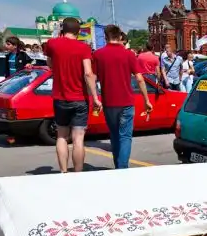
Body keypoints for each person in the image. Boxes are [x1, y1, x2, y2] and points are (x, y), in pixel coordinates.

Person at [45, 17, 100, 173]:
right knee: (78, 139)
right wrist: (95, 97)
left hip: (60, 98)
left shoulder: (52, 44)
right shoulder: (84, 48)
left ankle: (63, 171)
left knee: (61, 136)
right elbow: (88, 73)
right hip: (80, 98)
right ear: (78, 31)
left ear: (63, 29)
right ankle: (78, 173)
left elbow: (49, 63)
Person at [93, 25, 153, 169]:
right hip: (126, 101)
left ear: (105, 37)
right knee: (125, 136)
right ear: (120, 37)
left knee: (114, 135)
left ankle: (118, 167)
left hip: (109, 102)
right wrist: (146, 100)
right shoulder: (129, 55)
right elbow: (139, 79)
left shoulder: (98, 54)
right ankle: (122, 168)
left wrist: (95, 97)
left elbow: (91, 77)